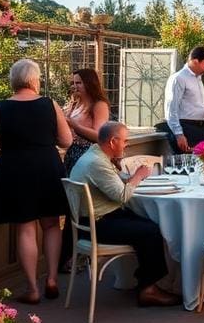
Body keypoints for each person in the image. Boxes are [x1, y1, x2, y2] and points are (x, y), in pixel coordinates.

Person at [0, 58, 72, 304]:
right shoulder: (50, 104)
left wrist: (2, 140)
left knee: (25, 228)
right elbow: (66, 141)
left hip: (16, 169)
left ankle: (32, 289)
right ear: (35, 79)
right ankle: (51, 278)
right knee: (52, 225)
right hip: (47, 166)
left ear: (13, 80)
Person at [69, 121, 181, 306]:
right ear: (113, 141)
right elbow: (122, 195)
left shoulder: (95, 155)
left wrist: (130, 176)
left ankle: (146, 281)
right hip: (97, 225)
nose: (127, 144)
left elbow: (116, 184)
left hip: (94, 219)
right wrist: (138, 176)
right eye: (125, 141)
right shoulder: (97, 163)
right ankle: (148, 289)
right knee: (151, 230)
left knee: (149, 222)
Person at [61, 67, 111, 269]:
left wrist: (74, 125)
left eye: (79, 83)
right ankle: (69, 255)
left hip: (87, 158)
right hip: (71, 157)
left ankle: (85, 254)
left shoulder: (99, 105)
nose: (74, 87)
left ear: (90, 83)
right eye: (73, 83)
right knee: (71, 207)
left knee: (86, 207)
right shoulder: (74, 104)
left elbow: (100, 136)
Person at [163, 46, 204, 153]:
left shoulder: (198, 79)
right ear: (195, 61)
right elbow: (171, 109)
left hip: (200, 129)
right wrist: (179, 135)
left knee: (203, 165)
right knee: (188, 166)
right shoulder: (178, 78)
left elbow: (189, 107)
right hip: (186, 129)